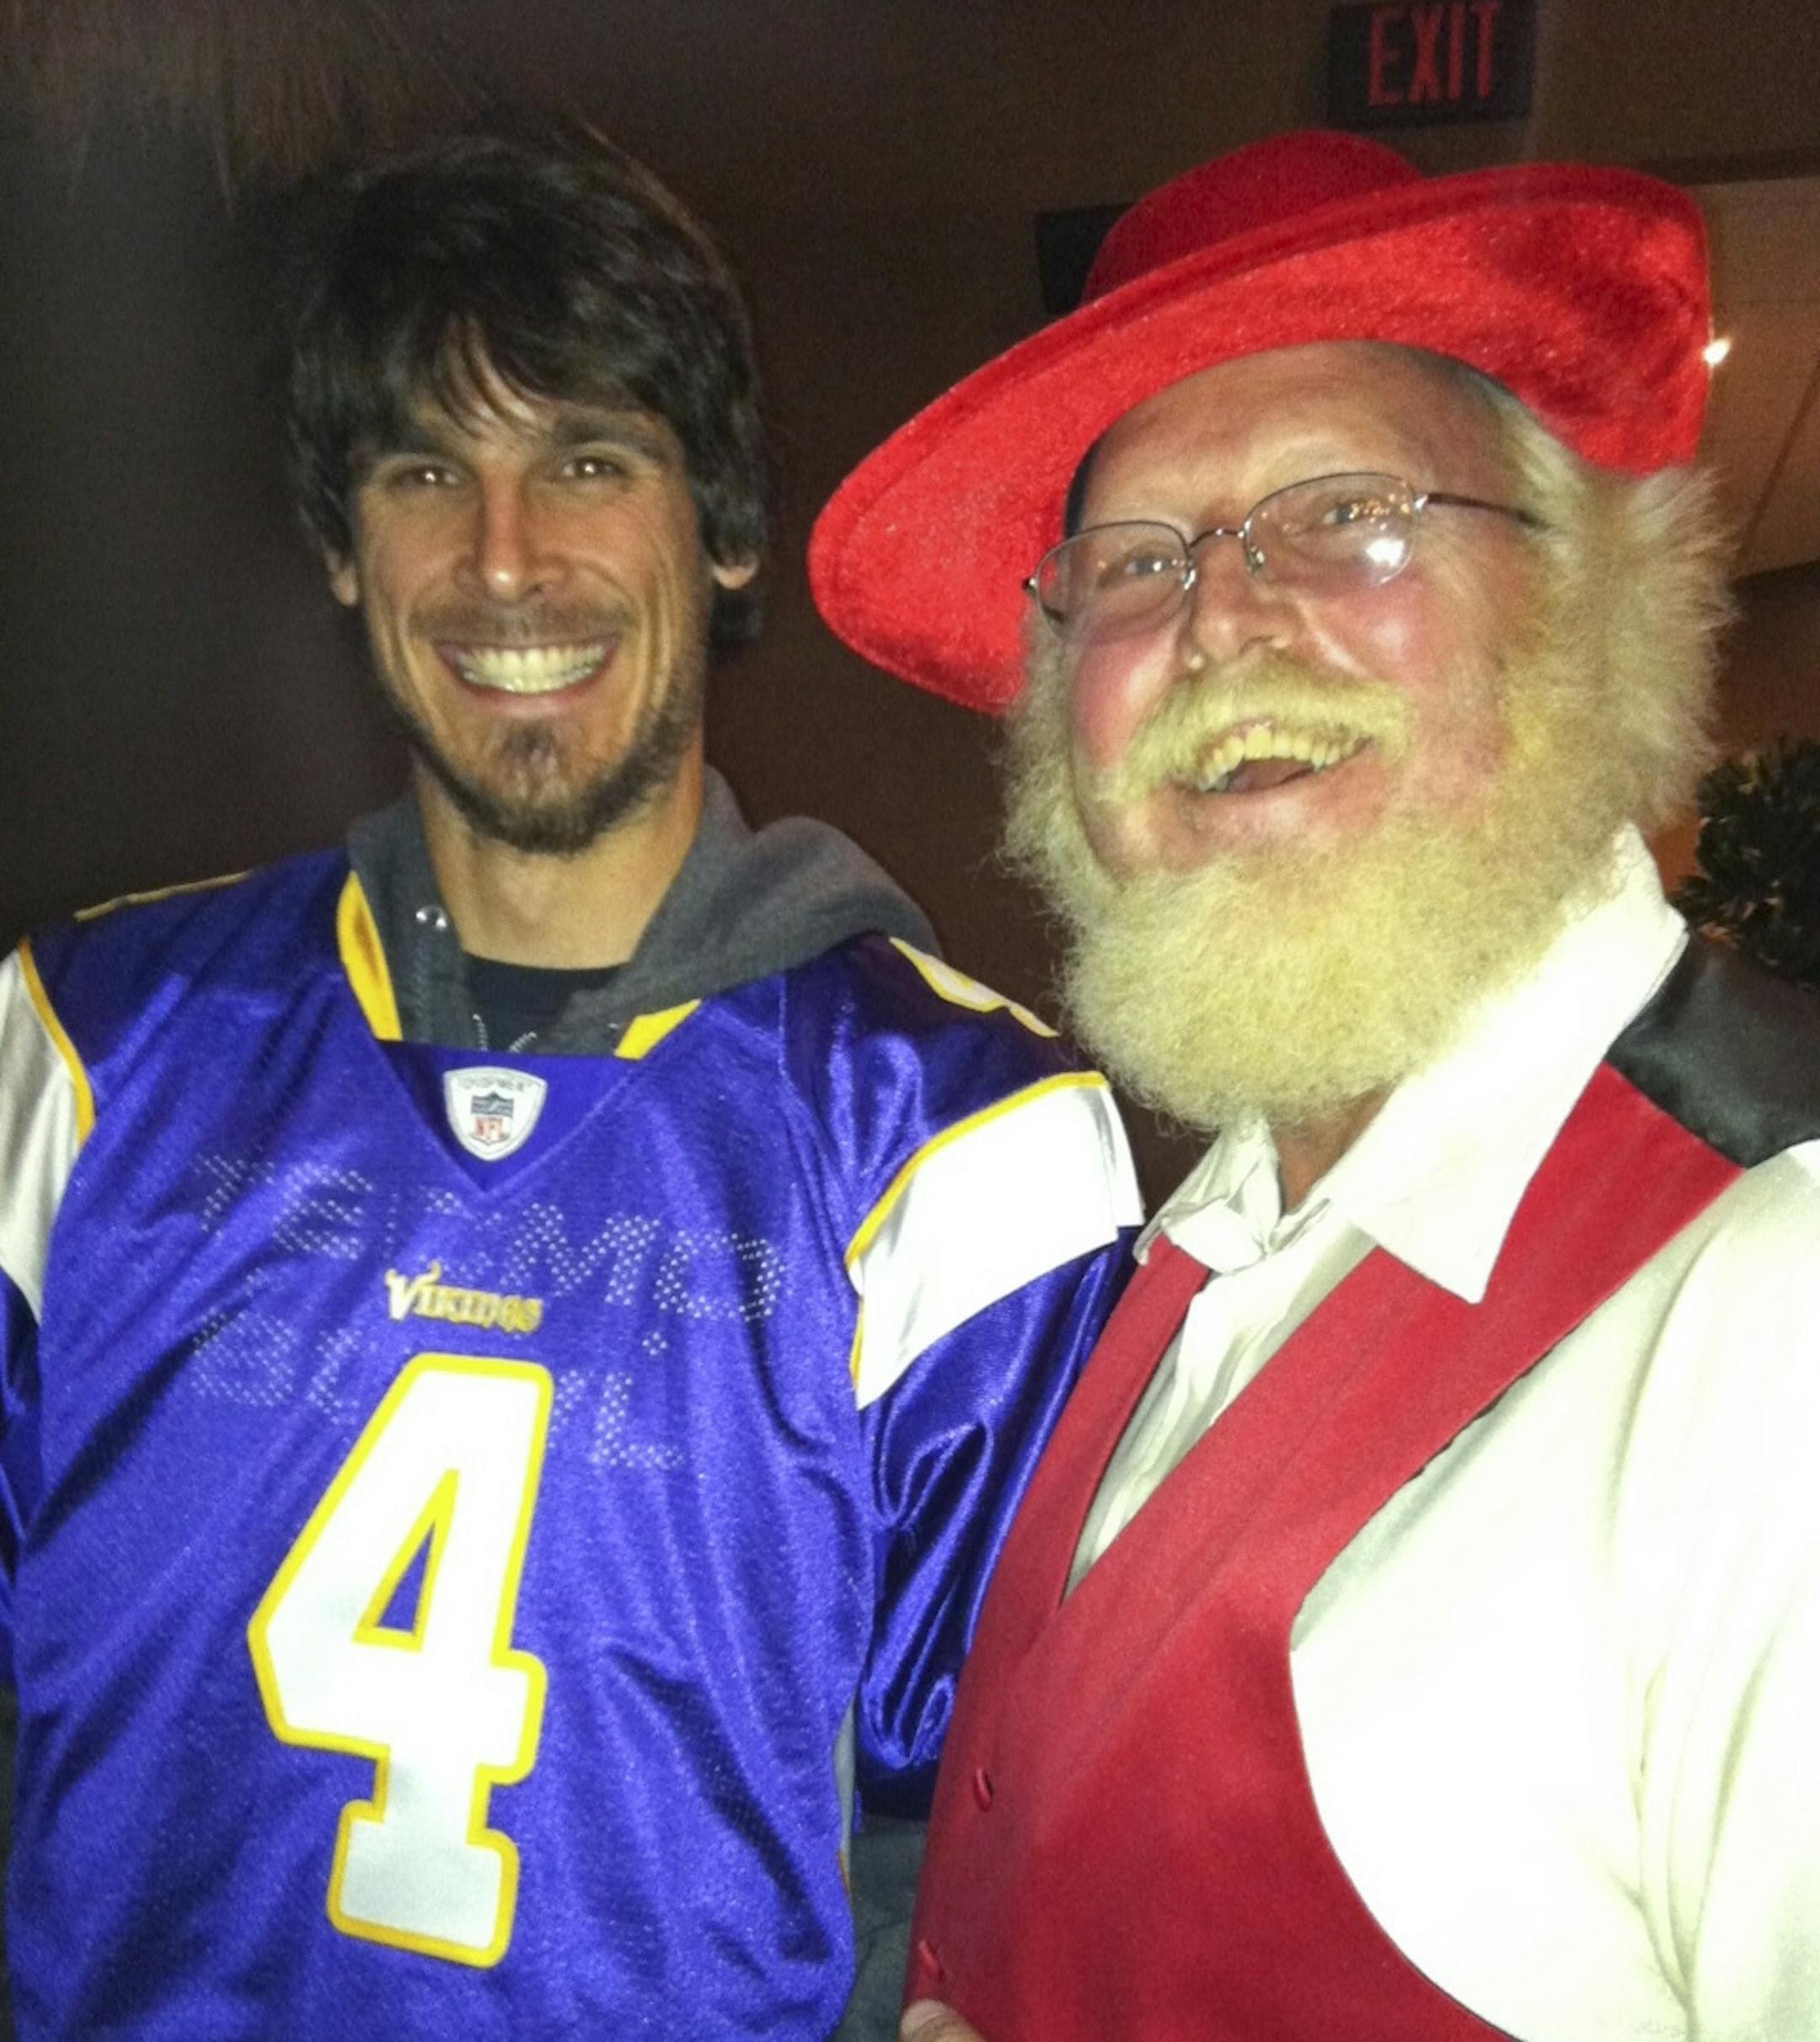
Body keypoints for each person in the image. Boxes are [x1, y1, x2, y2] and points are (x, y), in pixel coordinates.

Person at [0, 127, 1139, 2038]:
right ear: (341, 550)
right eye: (424, 469)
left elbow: (1017, 1872)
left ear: (726, 528)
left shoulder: (963, 1150)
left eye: (589, 460)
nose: (505, 556)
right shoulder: (83, 1055)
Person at [810, 129, 1820, 2041]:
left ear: (1592, 604)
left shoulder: (1778, 1304)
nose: (1221, 623)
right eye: (1134, 566)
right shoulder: (1192, 1247)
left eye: (1347, 517)